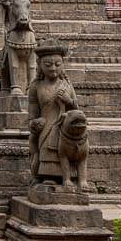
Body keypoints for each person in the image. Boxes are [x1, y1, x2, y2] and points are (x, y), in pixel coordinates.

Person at [28, 45, 78, 183]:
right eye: (48, 65)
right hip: (46, 126)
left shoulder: (67, 85)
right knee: (46, 148)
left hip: (65, 127)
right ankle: (48, 176)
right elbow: (32, 115)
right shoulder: (35, 86)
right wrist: (35, 123)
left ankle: (69, 177)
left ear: (63, 64)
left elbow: (77, 110)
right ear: (39, 65)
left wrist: (68, 101)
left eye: (57, 64)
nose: (53, 68)